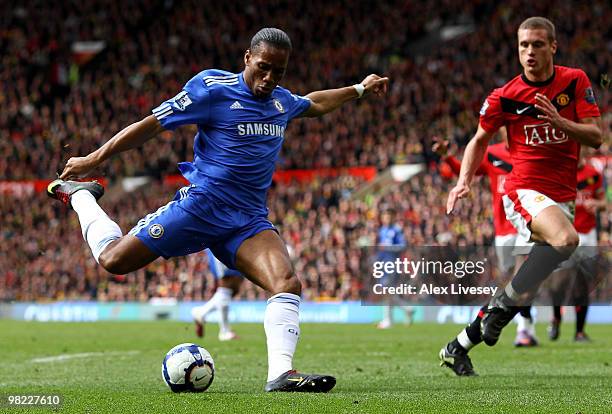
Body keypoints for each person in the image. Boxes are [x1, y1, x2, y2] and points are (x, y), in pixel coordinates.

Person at [47, 27, 389, 392]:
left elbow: (315, 103)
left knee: (286, 282)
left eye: (279, 71)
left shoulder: (280, 103)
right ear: (247, 58)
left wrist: (359, 90)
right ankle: (82, 196)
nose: (269, 78)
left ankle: (281, 374)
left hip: (247, 223)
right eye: (263, 67)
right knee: (113, 261)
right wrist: (95, 158)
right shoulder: (212, 89)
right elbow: (152, 125)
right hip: (200, 209)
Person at [439, 17, 602, 376]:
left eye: (538, 44)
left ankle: (458, 346)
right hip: (523, 191)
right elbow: (478, 140)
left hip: (562, 198)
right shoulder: (505, 96)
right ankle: (497, 314)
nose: (530, 52)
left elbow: (596, 136)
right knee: (566, 239)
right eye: (524, 45)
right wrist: (463, 179)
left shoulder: (574, 82)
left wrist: (562, 123)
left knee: (521, 289)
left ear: (553, 47)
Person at [433, 134, 538, 348]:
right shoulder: (492, 154)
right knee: (508, 279)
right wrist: (447, 157)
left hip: (525, 222)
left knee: (522, 276)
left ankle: (523, 327)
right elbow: (466, 170)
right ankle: (511, 319)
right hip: (503, 229)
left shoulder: (531, 149)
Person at [548, 157, 606, 342]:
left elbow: (604, 202)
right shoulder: (559, 172)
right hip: (564, 234)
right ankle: (556, 317)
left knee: (582, 286)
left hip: (587, 235)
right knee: (558, 284)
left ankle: (579, 332)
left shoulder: (594, 174)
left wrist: (597, 205)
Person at [191, 249, 244, 341]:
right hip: (222, 243)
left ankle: (201, 312)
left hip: (238, 243)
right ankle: (225, 331)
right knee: (227, 286)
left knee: (234, 288)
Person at [375, 209, 414, 329]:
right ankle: (407, 309)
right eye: (384, 217)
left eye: (388, 217)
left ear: (392, 217)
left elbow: (402, 246)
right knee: (388, 292)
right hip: (384, 264)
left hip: (393, 264)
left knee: (387, 291)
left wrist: (388, 248)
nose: (386, 219)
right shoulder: (382, 230)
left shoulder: (396, 230)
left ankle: (388, 320)